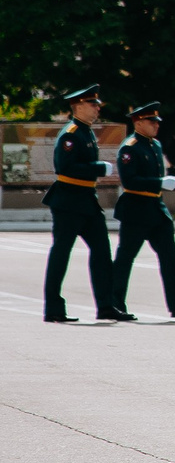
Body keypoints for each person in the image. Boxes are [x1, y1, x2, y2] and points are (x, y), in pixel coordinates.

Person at [41, 85, 116, 322]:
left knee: (102, 252)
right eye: (93, 104)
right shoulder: (71, 134)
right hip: (69, 201)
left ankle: (106, 305)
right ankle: (53, 308)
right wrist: (98, 168)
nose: (97, 108)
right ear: (78, 106)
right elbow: (66, 167)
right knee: (61, 253)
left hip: (87, 201)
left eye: (97, 105)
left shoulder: (86, 131)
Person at [108, 100, 175, 321]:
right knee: (125, 259)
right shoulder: (129, 147)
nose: (156, 125)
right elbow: (130, 180)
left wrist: (161, 184)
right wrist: (159, 182)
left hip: (157, 209)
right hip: (136, 210)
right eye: (151, 122)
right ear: (138, 123)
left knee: (170, 259)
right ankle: (115, 304)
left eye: (157, 121)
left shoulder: (155, 145)